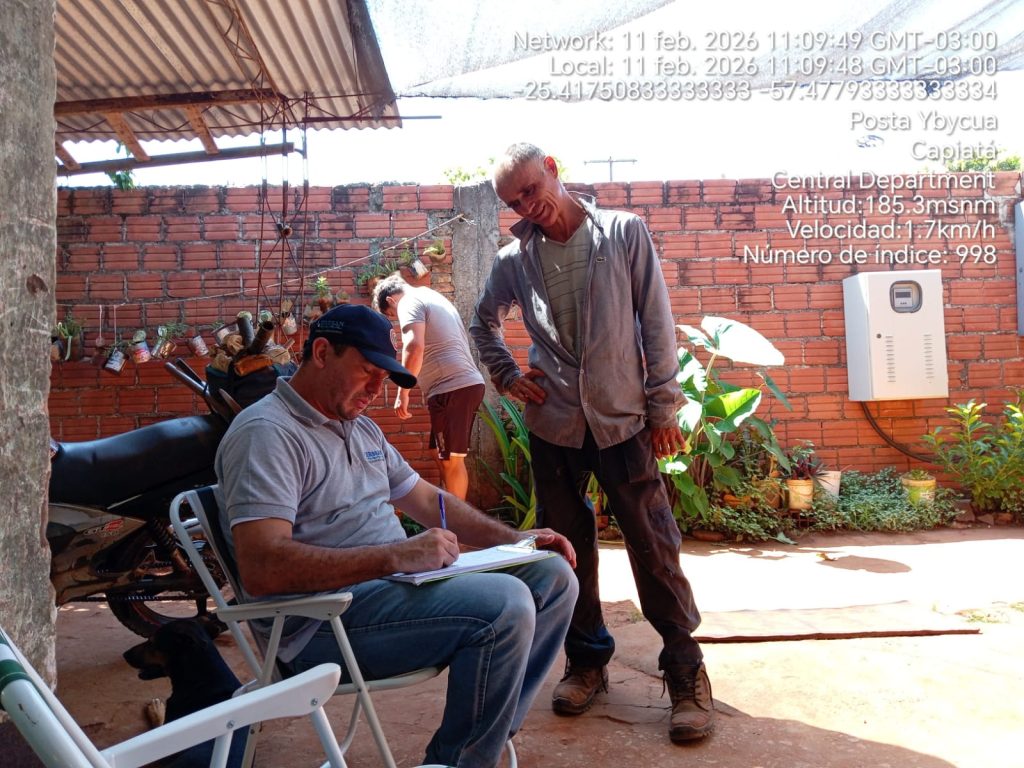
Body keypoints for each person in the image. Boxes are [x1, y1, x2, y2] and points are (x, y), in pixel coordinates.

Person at [214, 303, 578, 768]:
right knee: (505, 605)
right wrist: (395, 557)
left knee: (551, 575)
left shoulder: (358, 426)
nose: (375, 390)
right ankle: (461, 761)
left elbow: (428, 502)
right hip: (319, 624)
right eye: (367, 372)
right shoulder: (267, 434)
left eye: (383, 378)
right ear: (322, 352)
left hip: (392, 594)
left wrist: (515, 538)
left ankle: (483, 734)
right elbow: (262, 569)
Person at [469, 143, 714, 743]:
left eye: (531, 189)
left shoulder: (624, 233)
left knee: (652, 544)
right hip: (554, 425)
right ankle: (586, 664)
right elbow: (481, 322)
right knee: (567, 550)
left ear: (553, 169)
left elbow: (656, 322)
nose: (528, 205)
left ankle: (686, 671)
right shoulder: (514, 260)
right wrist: (505, 374)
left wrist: (663, 405)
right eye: (514, 201)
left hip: (623, 420)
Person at [372, 274, 485, 499]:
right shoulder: (430, 296)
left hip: (453, 388)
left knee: (451, 460)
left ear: (391, 301)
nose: (396, 318)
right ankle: (448, 511)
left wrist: (402, 391)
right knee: (438, 453)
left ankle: (457, 528)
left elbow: (414, 346)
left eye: (391, 316)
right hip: (452, 388)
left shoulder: (408, 302)